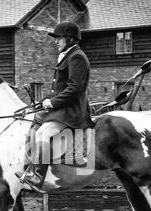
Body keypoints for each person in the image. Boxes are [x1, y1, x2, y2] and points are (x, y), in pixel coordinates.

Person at [16, 21, 94, 190]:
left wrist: (52, 102)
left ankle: (38, 175)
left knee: (44, 133)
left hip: (72, 111)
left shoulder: (77, 57)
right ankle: (29, 165)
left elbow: (74, 88)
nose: (56, 41)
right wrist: (42, 102)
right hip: (63, 107)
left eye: (59, 38)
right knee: (33, 119)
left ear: (70, 39)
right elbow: (59, 88)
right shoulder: (69, 55)